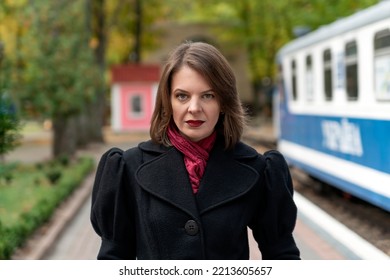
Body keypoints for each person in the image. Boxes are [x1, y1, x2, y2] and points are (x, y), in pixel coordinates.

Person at [90, 41, 301, 260]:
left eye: (208, 95)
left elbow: (281, 254)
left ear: (223, 102)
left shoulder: (258, 169)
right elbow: (114, 258)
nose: (194, 108)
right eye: (182, 96)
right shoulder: (129, 167)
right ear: (168, 101)